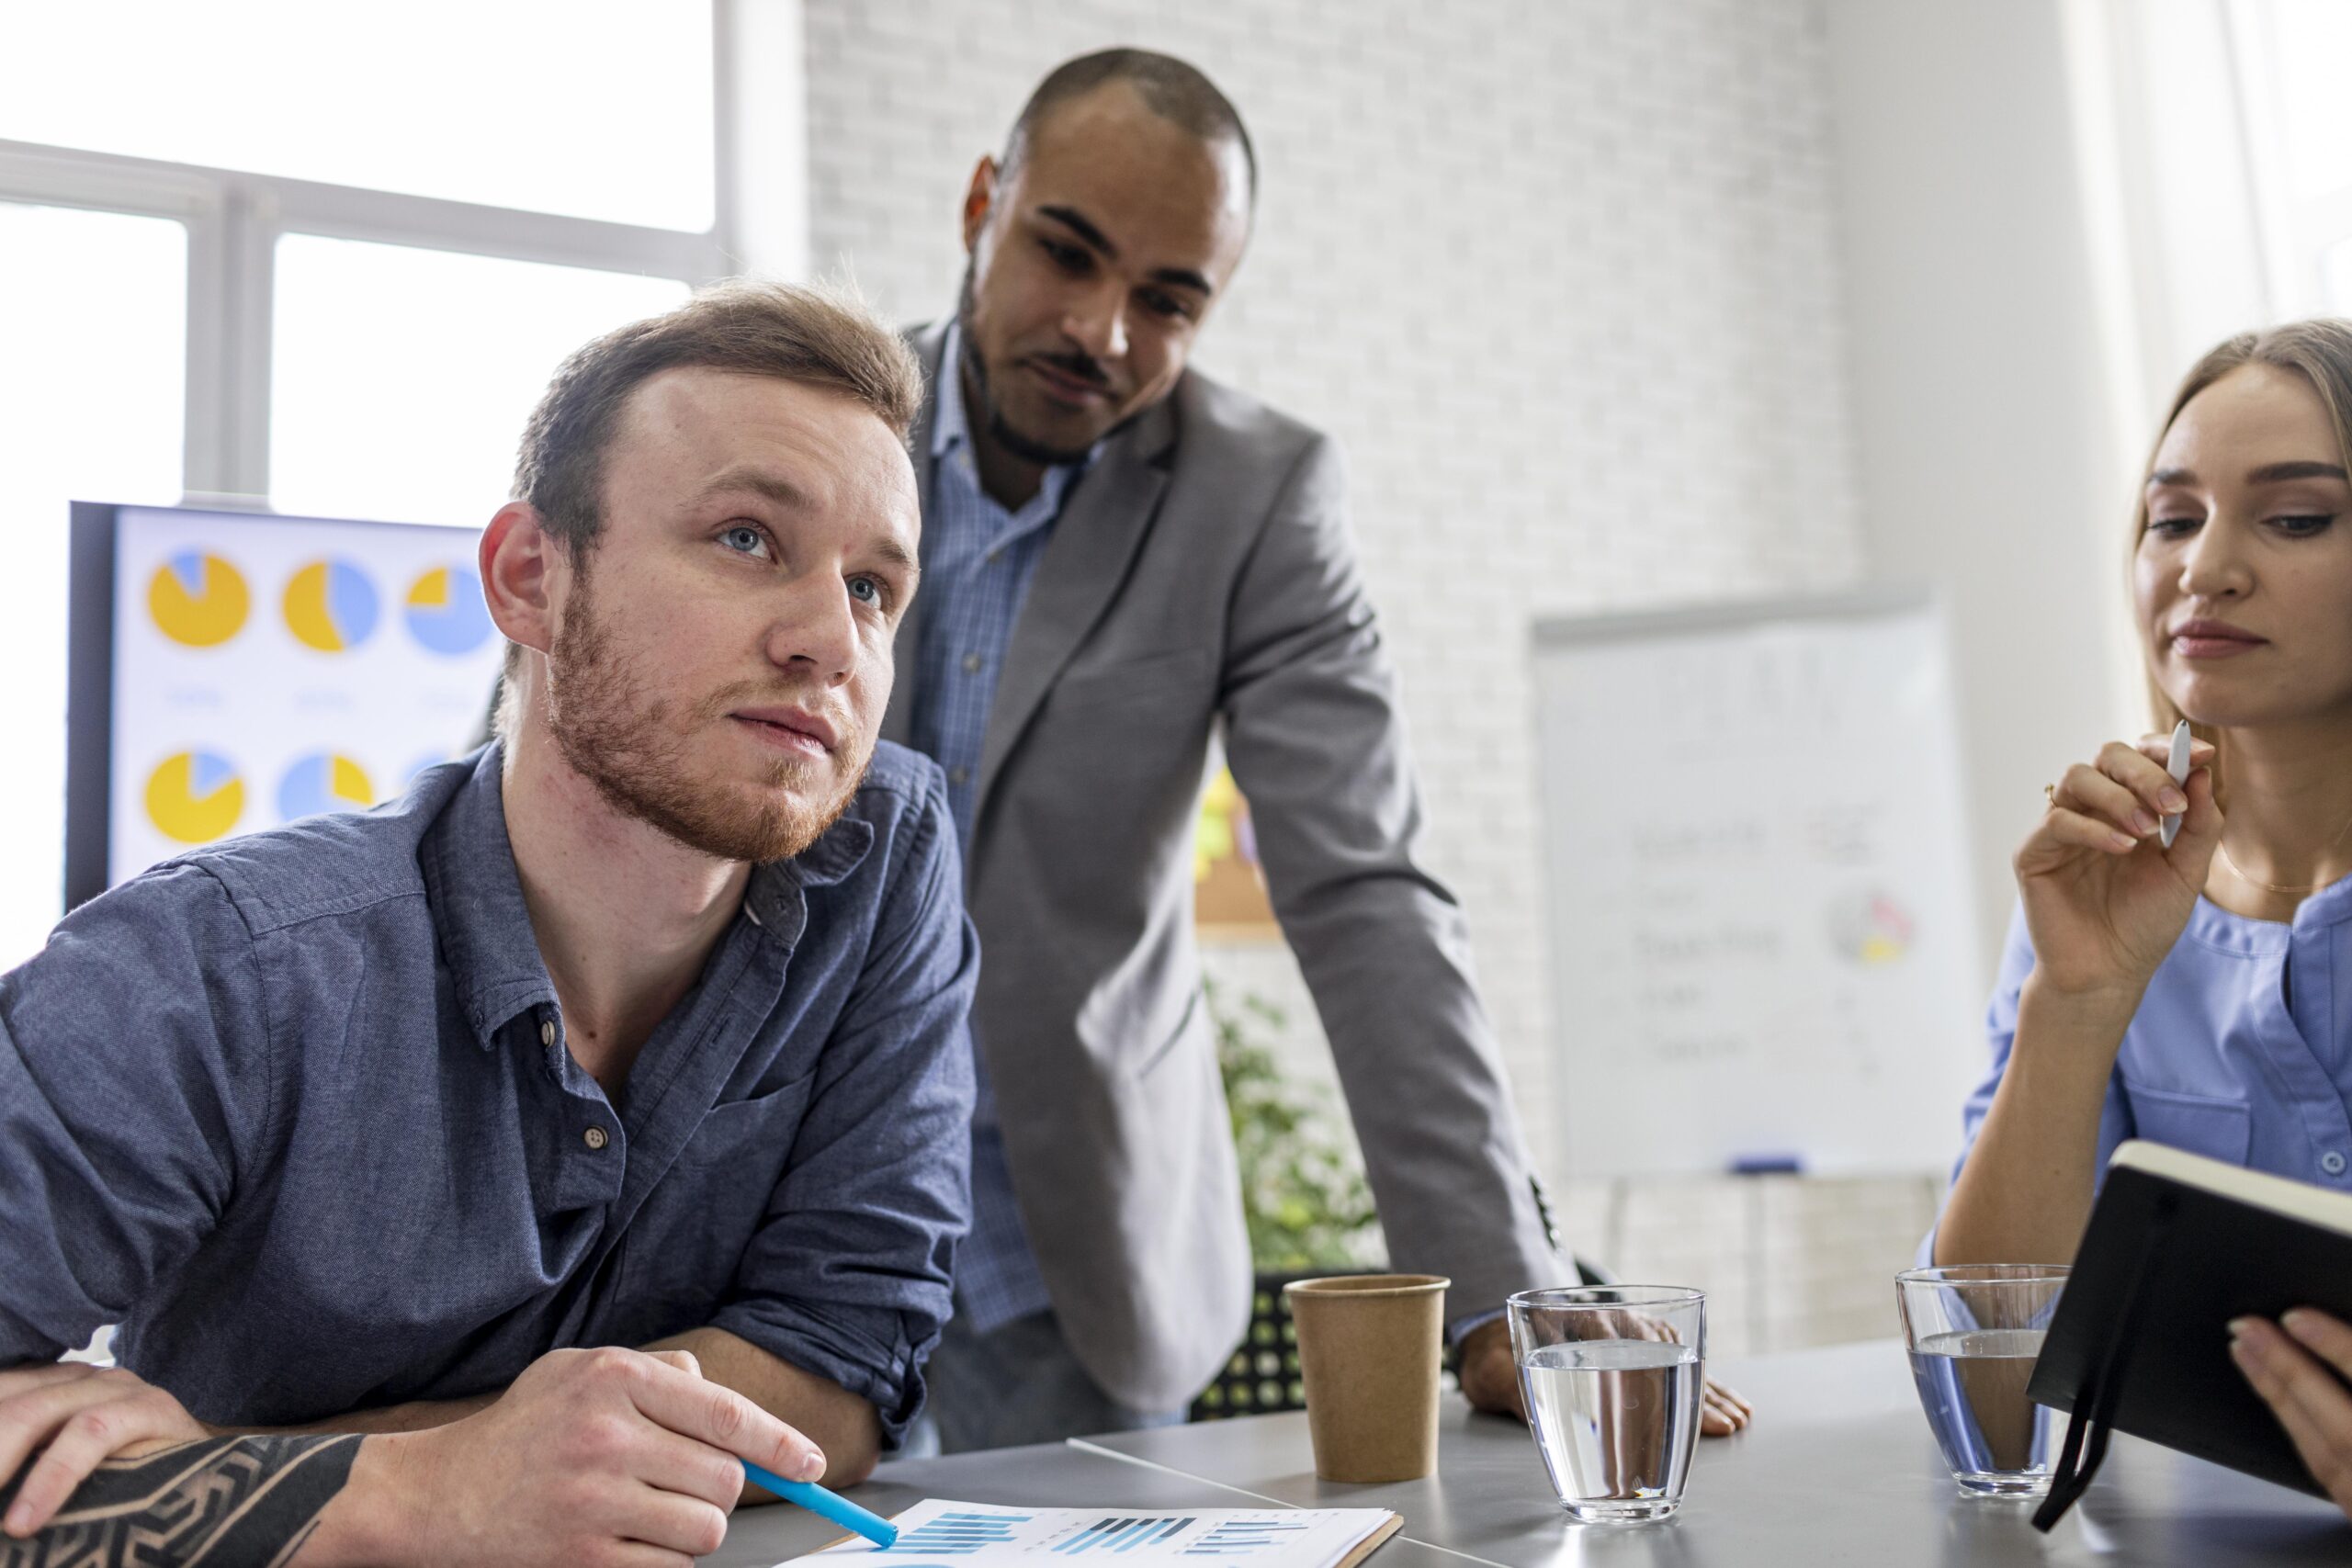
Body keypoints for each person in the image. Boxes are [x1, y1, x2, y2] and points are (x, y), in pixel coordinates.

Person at [0, 282, 978, 1564]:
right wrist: (422, 1493)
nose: (828, 641)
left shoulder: (880, 857)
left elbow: (843, 1363)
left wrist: (306, 1468)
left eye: (871, 587)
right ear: (529, 577)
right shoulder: (221, 969)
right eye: (747, 538)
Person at [893, 48, 1748, 1449]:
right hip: (787, 1237)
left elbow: (1364, 892)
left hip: (1066, 1262)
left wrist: (1498, 1293)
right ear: (986, 200)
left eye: (1169, 300)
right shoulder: (813, 412)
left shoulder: (1255, 497)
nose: (1103, 331)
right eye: (1068, 252)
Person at [1929, 318, 2352, 1517]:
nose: (2203, 569)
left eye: (2296, 517)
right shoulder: (2106, 891)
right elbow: (1990, 1404)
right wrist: (2076, 1003)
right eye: (2173, 518)